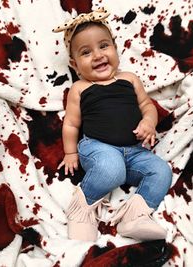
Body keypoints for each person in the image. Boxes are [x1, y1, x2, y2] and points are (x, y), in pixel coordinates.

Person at [54, 8, 172, 242]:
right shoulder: (80, 88)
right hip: (97, 147)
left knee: (161, 171)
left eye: (104, 46)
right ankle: (82, 209)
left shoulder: (129, 79)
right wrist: (70, 152)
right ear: (74, 64)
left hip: (134, 151)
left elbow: (147, 106)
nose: (97, 55)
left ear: (115, 48)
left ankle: (136, 217)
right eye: (86, 52)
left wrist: (149, 121)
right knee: (111, 169)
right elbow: (70, 124)